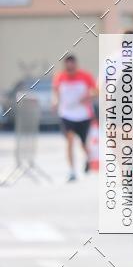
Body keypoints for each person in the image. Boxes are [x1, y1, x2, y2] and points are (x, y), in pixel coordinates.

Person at [51, 54, 97, 182]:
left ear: (76, 65)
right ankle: (72, 171)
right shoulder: (60, 77)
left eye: (72, 65)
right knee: (69, 140)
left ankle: (88, 158)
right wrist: (55, 102)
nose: (70, 68)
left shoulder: (85, 76)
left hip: (83, 115)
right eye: (67, 66)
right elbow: (56, 92)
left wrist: (87, 97)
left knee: (83, 143)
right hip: (66, 114)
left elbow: (95, 91)